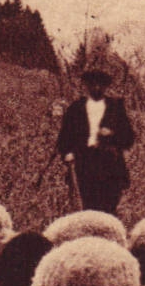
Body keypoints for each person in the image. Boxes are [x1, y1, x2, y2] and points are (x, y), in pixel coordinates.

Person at [56, 68, 135, 215]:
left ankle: (107, 233)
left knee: (109, 206)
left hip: (110, 162)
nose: (97, 88)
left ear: (106, 86)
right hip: (85, 161)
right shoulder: (75, 108)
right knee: (88, 206)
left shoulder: (116, 108)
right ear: (86, 86)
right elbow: (64, 137)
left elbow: (129, 138)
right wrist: (67, 153)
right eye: (92, 84)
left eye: (101, 84)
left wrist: (111, 135)